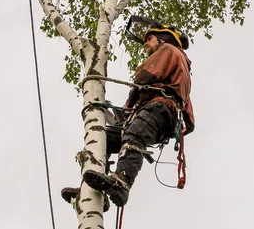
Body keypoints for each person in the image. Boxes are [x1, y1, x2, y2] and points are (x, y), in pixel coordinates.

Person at [61, 24, 194, 208]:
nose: (146, 44)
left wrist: (131, 104)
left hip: (159, 109)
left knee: (135, 136)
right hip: (159, 112)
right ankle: (91, 192)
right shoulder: (182, 72)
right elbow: (190, 121)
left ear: (164, 38)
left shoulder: (169, 50)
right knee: (103, 138)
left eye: (150, 39)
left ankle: (122, 182)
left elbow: (144, 77)